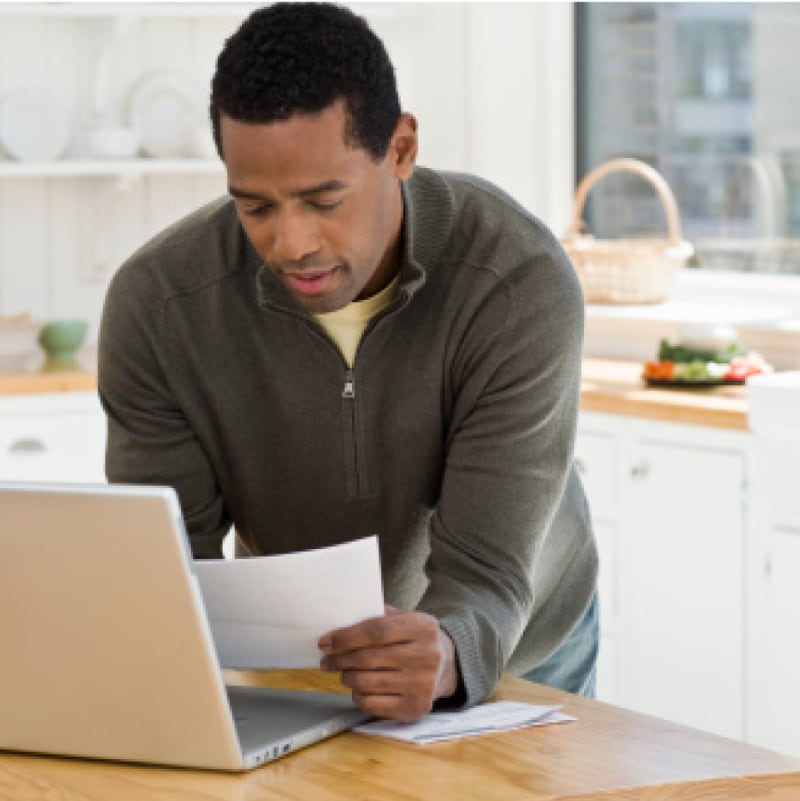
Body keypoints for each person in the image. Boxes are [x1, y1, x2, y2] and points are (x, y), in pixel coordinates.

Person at [98, 2, 598, 724]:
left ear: (399, 148)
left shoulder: (516, 279)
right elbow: (171, 574)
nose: (291, 242)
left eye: (324, 199)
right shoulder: (159, 305)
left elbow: (486, 575)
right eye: (255, 207)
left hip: (519, 642)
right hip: (302, 650)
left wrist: (451, 650)